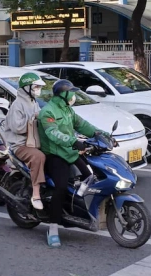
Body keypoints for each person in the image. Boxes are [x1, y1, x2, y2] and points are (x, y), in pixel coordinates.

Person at [39, 79, 108, 247]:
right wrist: (73, 141)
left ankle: (77, 211)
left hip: (70, 153)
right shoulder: (47, 112)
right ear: (63, 94)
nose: (73, 96)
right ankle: (53, 228)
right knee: (61, 187)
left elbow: (83, 125)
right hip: (54, 155)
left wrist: (103, 135)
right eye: (71, 93)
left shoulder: (68, 110)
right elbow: (53, 134)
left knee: (90, 178)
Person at [2, 73, 47, 210]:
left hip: (34, 142)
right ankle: (36, 194)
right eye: (36, 87)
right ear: (26, 88)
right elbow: (17, 127)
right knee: (38, 157)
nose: (38, 90)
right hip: (20, 145)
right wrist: (34, 118)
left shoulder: (33, 102)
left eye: (39, 87)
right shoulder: (17, 105)